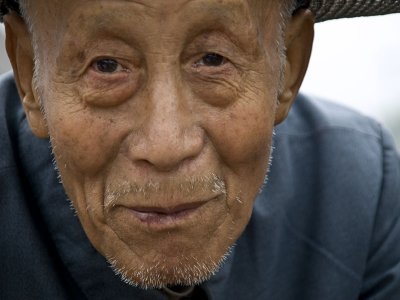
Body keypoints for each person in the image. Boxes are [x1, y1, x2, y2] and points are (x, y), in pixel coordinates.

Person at [0, 0, 399, 299]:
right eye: (106, 65)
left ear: (289, 66)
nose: (166, 145)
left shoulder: (360, 190)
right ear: (29, 74)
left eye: (212, 60)